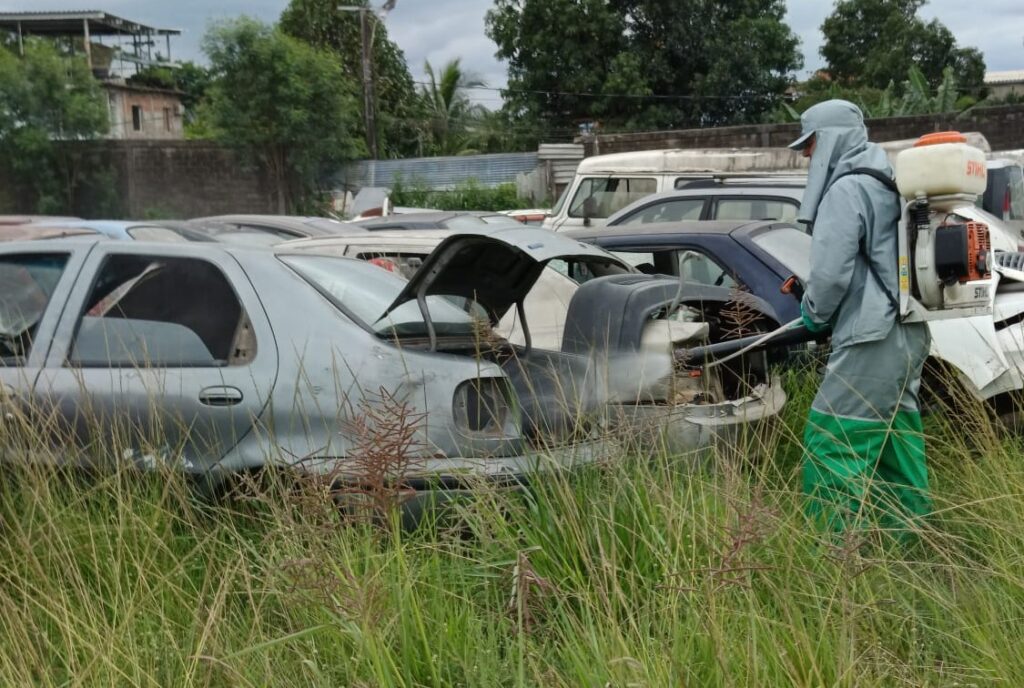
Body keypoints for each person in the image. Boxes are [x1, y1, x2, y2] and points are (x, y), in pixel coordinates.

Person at [788, 100, 931, 536]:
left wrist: (811, 314)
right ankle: (910, 549)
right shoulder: (888, 179)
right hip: (909, 331)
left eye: (809, 145)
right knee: (895, 445)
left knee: (832, 444)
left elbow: (830, 277)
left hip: (871, 337)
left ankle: (832, 562)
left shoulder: (846, 189)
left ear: (829, 139)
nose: (807, 156)